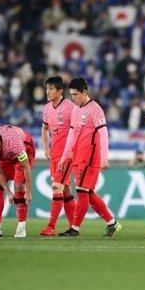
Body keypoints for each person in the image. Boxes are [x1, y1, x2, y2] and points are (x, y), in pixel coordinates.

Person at [57, 77, 121, 237]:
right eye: (71, 95)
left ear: (85, 92)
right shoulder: (75, 108)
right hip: (77, 156)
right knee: (88, 193)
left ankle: (75, 228)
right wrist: (65, 156)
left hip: (90, 156)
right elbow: (71, 133)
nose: (73, 98)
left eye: (76, 95)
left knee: (82, 191)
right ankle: (112, 222)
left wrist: (104, 157)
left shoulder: (95, 109)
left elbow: (103, 133)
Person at [0, 125, 36, 238]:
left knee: (19, 186)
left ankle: (21, 227)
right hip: (6, 155)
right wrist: (8, 192)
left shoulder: (14, 144)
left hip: (26, 148)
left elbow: (26, 167)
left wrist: (28, 192)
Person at [39, 76, 76, 236]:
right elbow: (44, 129)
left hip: (66, 155)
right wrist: (46, 148)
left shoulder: (70, 107)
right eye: (47, 88)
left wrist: (73, 151)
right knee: (65, 190)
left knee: (56, 187)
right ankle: (73, 226)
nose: (48, 92)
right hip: (54, 155)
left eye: (51, 89)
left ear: (60, 91)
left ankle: (51, 226)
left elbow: (77, 130)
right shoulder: (47, 108)